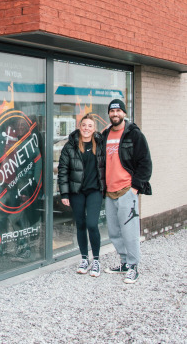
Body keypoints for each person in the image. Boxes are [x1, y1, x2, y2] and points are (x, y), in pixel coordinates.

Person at [102, 99, 152, 284]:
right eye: (112, 111)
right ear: (109, 114)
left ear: (124, 113)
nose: (115, 114)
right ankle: (123, 262)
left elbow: (145, 163)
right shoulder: (105, 135)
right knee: (114, 231)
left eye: (118, 111)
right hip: (109, 191)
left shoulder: (134, 135)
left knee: (129, 231)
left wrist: (134, 188)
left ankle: (133, 266)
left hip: (126, 190)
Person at [58, 114, 105, 277]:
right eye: (84, 125)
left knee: (92, 224)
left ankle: (96, 260)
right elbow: (63, 170)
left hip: (94, 191)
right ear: (79, 126)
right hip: (76, 192)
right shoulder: (70, 146)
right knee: (80, 225)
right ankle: (84, 258)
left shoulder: (100, 144)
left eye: (90, 125)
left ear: (94, 128)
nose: (86, 128)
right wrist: (64, 193)